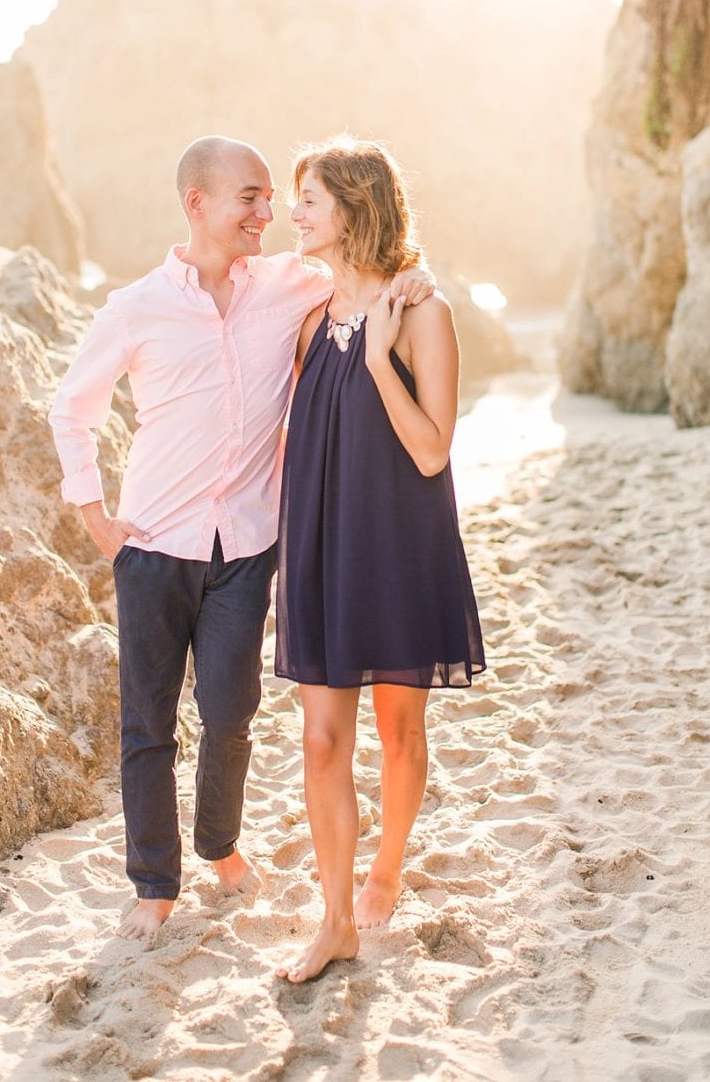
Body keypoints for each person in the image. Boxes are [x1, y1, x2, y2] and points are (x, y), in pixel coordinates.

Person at [50, 136, 434, 943]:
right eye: (252, 199)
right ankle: (155, 883)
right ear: (199, 204)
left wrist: (416, 279)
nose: (270, 214)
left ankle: (220, 846)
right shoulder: (135, 307)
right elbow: (72, 409)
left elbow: (365, 272)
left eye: (278, 199)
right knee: (148, 722)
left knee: (230, 712)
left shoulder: (287, 285)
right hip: (152, 542)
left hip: (248, 548)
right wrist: (94, 516)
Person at [271, 137, 484, 985]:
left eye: (311, 201)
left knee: (400, 729)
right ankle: (334, 921)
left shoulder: (425, 315)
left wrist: (375, 361)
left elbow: (432, 451)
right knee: (322, 742)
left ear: (354, 208)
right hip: (323, 543)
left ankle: (387, 866)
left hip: (398, 543)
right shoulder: (305, 323)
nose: (296, 215)